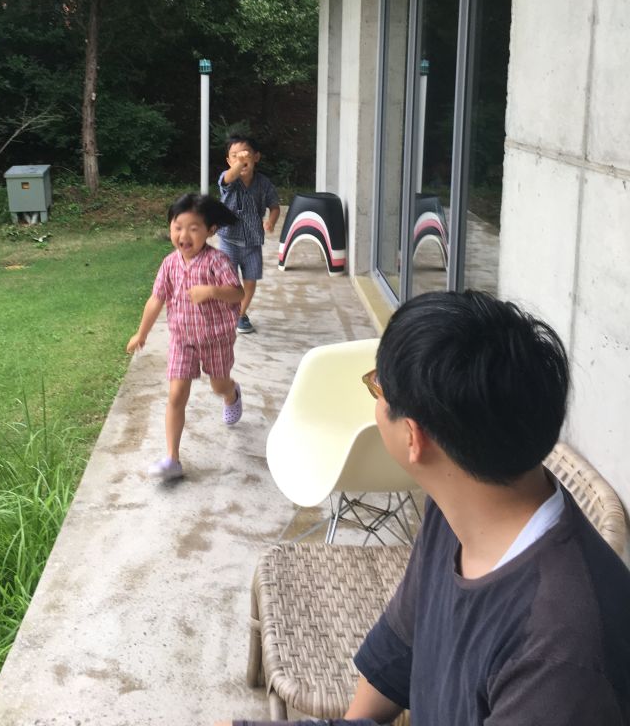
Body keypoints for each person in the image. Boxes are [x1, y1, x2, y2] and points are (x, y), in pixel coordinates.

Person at [220, 290, 630, 725]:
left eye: (377, 387)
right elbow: (400, 646)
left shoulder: (562, 659)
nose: (375, 400)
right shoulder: (460, 505)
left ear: (413, 437)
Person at [127, 192, 245, 481]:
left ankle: (231, 393)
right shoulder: (169, 264)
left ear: (210, 230)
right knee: (176, 394)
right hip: (182, 340)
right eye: (178, 227)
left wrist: (212, 291)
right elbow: (156, 299)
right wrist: (142, 333)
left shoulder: (217, 261)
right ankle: (172, 459)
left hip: (216, 338)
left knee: (218, 385)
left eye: (193, 228)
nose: (184, 235)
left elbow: (238, 293)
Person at [217, 134, 280, 334]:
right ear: (229, 161)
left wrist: (271, 221)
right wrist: (240, 162)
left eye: (245, 155)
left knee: (250, 281)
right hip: (229, 239)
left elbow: (274, 206)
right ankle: (227, 312)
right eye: (234, 156)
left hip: (253, 242)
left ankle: (240, 314)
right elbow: (228, 178)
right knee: (229, 282)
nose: (241, 160)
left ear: (256, 157)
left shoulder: (264, 183)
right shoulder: (228, 179)